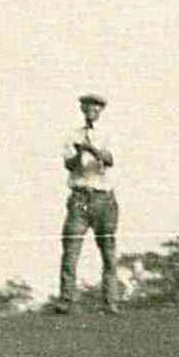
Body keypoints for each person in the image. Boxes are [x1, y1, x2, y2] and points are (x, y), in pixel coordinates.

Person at [52, 91, 120, 314]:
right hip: (80, 197)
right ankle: (66, 300)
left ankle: (111, 301)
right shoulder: (72, 134)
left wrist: (90, 149)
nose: (92, 111)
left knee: (108, 250)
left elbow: (109, 159)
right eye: (88, 107)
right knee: (71, 248)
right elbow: (69, 164)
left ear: (101, 110)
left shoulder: (110, 133)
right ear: (82, 110)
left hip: (104, 197)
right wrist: (78, 153)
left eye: (96, 107)